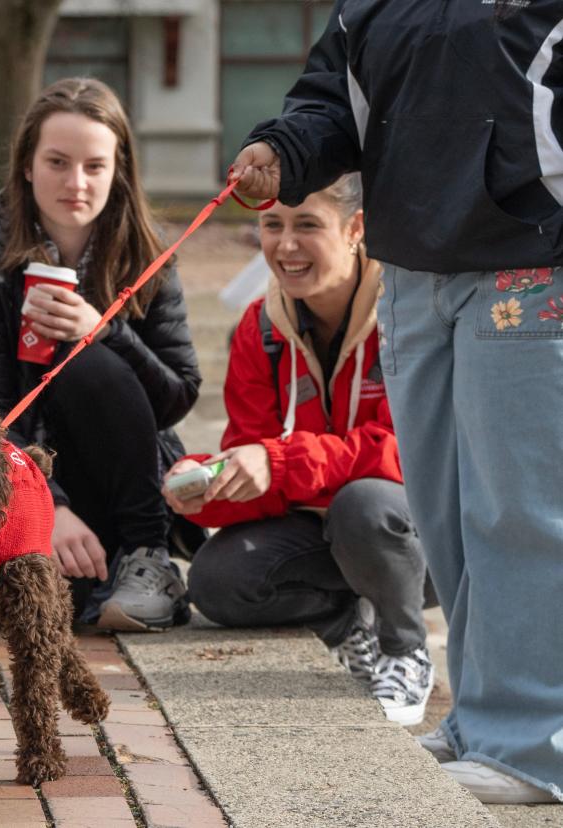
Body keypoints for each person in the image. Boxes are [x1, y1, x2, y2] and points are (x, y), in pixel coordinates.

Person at [228, 0, 563, 804]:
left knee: (518, 511)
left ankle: (535, 745)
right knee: (445, 508)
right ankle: (480, 721)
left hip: (531, 261)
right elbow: (328, 102)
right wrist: (281, 150)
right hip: (412, 268)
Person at [163, 175, 434, 726]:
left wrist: (280, 461)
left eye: (307, 225)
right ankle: (347, 628)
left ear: (355, 228)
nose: (285, 246)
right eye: (272, 225)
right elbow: (255, 457)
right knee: (216, 582)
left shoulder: (410, 312)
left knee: (366, 506)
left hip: (420, 534)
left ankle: (405, 650)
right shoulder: (259, 327)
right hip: (323, 528)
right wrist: (209, 487)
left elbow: (413, 455)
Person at [0, 78, 201, 632]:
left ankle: (148, 557)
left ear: (119, 171)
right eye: (57, 162)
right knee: (58, 605)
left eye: (94, 166)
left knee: (89, 363)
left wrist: (106, 332)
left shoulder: (146, 255)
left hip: (126, 476)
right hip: (27, 476)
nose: (75, 183)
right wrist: (49, 507)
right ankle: (80, 564)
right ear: (27, 166)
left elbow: (178, 395)